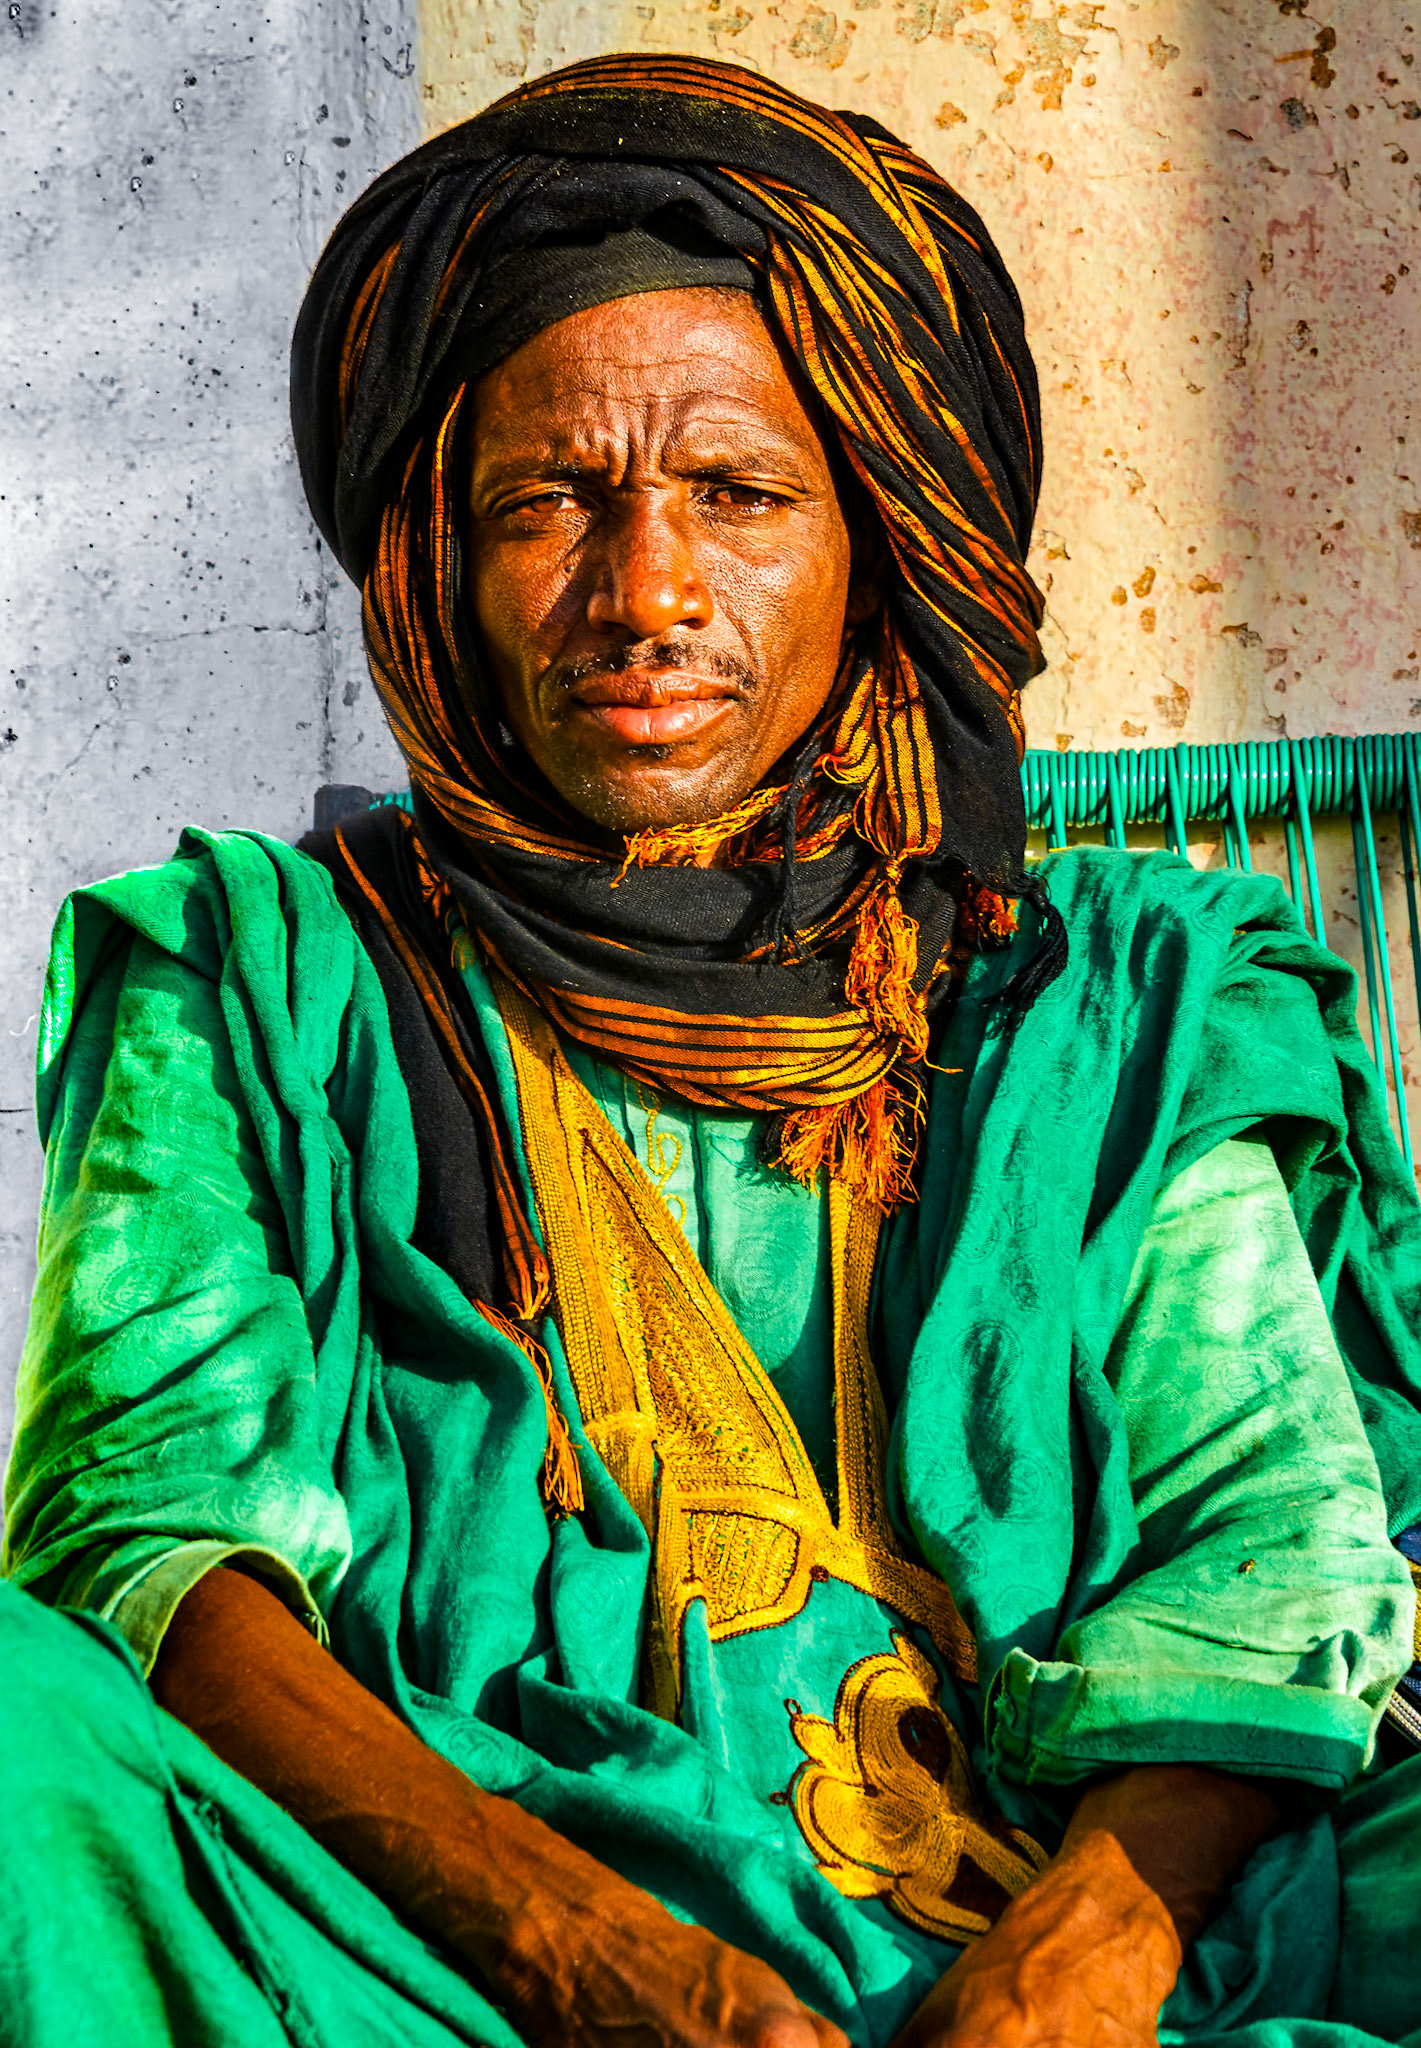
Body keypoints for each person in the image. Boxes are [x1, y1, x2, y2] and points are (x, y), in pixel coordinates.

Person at [3, 51, 1421, 2048]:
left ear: (881, 542)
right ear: (435, 569)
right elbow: (148, 1544)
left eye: (741, 496)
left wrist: (1079, 1960)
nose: (644, 593)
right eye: (546, 504)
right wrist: (582, 1956)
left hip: (1094, 1906)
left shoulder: (1130, 985)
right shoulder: (247, 974)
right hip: (438, 1957)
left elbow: (1263, 1530)